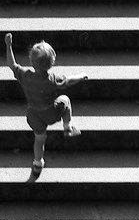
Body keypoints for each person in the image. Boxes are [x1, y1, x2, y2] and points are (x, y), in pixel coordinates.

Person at [5, 32, 88, 179]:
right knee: (65, 100)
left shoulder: (25, 75)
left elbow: (12, 64)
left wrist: (8, 45)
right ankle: (67, 127)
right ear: (52, 62)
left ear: (31, 61)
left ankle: (37, 163)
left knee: (39, 139)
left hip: (34, 115)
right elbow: (69, 81)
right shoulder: (53, 79)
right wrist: (81, 76)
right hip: (51, 112)